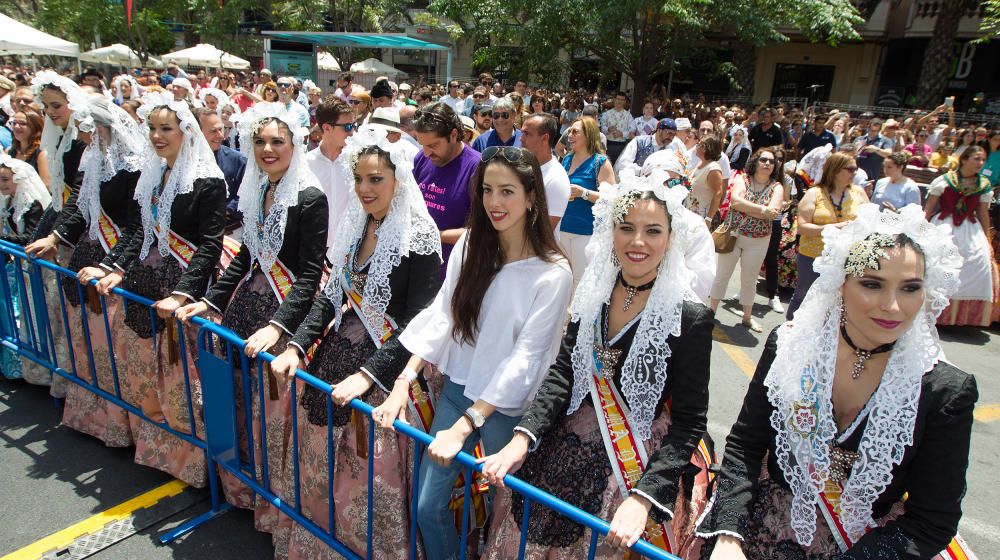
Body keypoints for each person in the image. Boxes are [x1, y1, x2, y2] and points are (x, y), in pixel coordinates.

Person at [698, 204, 978, 560]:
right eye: (872, 284)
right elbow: (745, 446)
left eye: (910, 288)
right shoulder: (789, 346)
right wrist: (728, 534)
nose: (892, 306)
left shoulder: (944, 391)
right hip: (760, 531)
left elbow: (932, 519)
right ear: (840, 285)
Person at [480, 179, 714, 560]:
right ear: (611, 232)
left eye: (653, 230)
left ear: (671, 238)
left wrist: (643, 497)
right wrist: (523, 437)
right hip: (563, 446)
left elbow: (689, 422)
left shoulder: (690, 317)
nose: (637, 241)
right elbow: (564, 373)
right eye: (626, 228)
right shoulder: (595, 293)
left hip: (631, 464)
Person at [372, 146, 573, 560]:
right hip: (458, 390)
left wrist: (468, 423)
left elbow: (527, 359)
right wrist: (403, 381)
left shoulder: (553, 273)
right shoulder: (468, 248)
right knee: (428, 505)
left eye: (507, 191)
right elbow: (440, 317)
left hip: (509, 410)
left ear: (532, 196)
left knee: (507, 516)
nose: (495, 202)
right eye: (487, 190)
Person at [267, 127, 442, 558]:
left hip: (391, 372)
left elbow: (417, 323)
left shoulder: (420, 236)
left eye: (376, 179)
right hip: (338, 355)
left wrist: (368, 377)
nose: (365, 189)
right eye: (359, 178)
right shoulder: (355, 224)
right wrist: (296, 345)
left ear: (398, 179)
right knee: (315, 456)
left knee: (368, 475)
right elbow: (330, 298)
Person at [176, 102, 328, 532]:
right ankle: (241, 487)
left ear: (295, 145)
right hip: (247, 306)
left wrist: (278, 326)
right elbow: (245, 256)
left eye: (277, 141)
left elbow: (310, 274)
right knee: (241, 402)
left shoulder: (311, 198)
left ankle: (276, 502)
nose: (267, 149)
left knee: (272, 412)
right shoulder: (257, 188)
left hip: (286, 311)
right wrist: (213, 301)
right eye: (259, 141)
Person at [81, 92, 226, 480]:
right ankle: (156, 447)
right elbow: (137, 231)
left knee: (181, 381)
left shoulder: (207, 181)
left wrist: (184, 292)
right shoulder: (152, 174)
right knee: (145, 370)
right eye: (153, 128)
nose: (158, 136)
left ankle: (194, 464)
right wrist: (113, 267)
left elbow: (210, 246)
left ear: (185, 131)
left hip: (182, 290)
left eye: (167, 128)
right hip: (144, 285)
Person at [786, 152, 870, 319]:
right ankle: (790, 331)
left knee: (836, 302)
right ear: (835, 170)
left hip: (846, 258)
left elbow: (869, 221)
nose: (854, 173)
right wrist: (835, 227)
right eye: (850, 169)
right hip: (814, 257)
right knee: (804, 295)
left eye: (856, 169)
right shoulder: (814, 193)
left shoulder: (859, 193)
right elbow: (802, 227)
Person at [710, 148, 784, 332]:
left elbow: (773, 212)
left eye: (771, 161)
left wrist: (751, 208)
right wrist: (762, 209)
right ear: (756, 162)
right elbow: (735, 201)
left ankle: (747, 317)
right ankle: (710, 313)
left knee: (749, 279)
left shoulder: (777, 187)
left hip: (758, 240)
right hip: (733, 235)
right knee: (722, 275)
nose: (767, 164)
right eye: (763, 160)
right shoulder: (742, 179)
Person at [924, 145, 998, 327]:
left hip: (969, 227)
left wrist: (987, 237)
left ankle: (961, 317)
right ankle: (934, 311)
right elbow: (928, 209)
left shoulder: (983, 185)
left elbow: (982, 213)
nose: (980, 163)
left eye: (982, 160)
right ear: (964, 160)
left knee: (977, 260)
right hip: (944, 224)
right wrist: (922, 230)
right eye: (976, 159)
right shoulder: (944, 180)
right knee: (938, 263)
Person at [412, 103, 481, 272]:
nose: (427, 153)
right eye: (423, 145)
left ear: (454, 135)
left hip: (455, 271)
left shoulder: (477, 168)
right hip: (419, 269)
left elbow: (481, 232)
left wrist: (435, 236)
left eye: (433, 145)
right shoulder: (422, 158)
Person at [0, 154, 50, 381]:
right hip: (15, 267)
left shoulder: (31, 204)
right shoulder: (9, 201)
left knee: (30, 314)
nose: (1, 185)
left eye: (5, 180)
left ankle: (40, 371)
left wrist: (5, 242)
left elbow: (31, 236)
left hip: (31, 268)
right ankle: (19, 367)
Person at [24, 71, 88, 244]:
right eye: (45, 106)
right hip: (64, 210)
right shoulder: (62, 137)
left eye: (56, 105)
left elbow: (80, 189)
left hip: (81, 219)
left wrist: (57, 234)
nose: (49, 111)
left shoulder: (82, 139)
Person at [559, 118, 616, 286]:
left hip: (585, 231)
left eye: (575, 132)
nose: (569, 135)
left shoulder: (600, 162)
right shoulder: (567, 159)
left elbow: (611, 198)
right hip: (561, 228)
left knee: (580, 280)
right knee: (563, 277)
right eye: (569, 131)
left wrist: (583, 193)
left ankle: (576, 313)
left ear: (588, 135)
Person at [304, 96, 356, 257]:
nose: (352, 132)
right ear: (327, 128)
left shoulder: (357, 162)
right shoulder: (305, 164)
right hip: (313, 250)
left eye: (353, 125)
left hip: (348, 250)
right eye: (347, 126)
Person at [195, 108, 246, 234]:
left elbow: (248, 196)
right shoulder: (182, 162)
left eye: (221, 129)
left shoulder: (237, 160)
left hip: (230, 234)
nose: (221, 136)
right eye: (213, 131)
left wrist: (224, 211)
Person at [520, 113, 571, 230]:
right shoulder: (521, 166)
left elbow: (545, 232)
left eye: (527, 134)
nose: (521, 138)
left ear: (544, 138)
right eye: (522, 132)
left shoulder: (556, 179)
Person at [7, 109, 51, 188]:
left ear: (35, 127)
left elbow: (46, 185)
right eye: (14, 123)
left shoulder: (41, 153)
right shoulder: (10, 151)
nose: (16, 126)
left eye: (22, 123)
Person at [687, 136, 725, 222]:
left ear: (705, 148)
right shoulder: (701, 163)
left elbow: (718, 194)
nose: (697, 146)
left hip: (701, 217)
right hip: (690, 213)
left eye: (699, 144)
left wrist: (709, 218)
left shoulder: (713, 169)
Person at [600, 92, 637, 165]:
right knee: (607, 165)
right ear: (614, 100)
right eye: (618, 99)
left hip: (621, 145)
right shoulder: (607, 113)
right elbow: (602, 127)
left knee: (619, 166)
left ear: (625, 102)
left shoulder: (628, 115)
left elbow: (632, 130)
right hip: (608, 144)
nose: (620, 101)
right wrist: (608, 129)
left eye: (622, 100)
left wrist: (622, 134)